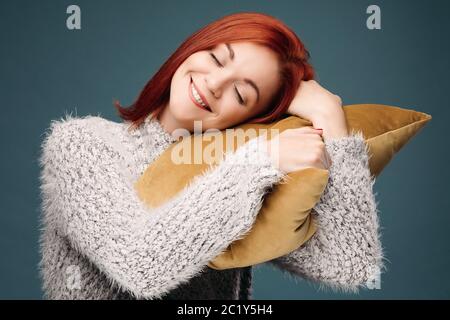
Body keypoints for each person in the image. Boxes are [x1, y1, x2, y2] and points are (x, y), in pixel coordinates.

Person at [38, 12, 384, 299]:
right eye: (217, 58)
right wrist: (259, 162)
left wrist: (332, 122)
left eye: (240, 93)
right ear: (193, 48)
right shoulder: (81, 144)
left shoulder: (243, 170)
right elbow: (141, 265)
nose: (215, 83)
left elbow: (349, 263)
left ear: (250, 120)